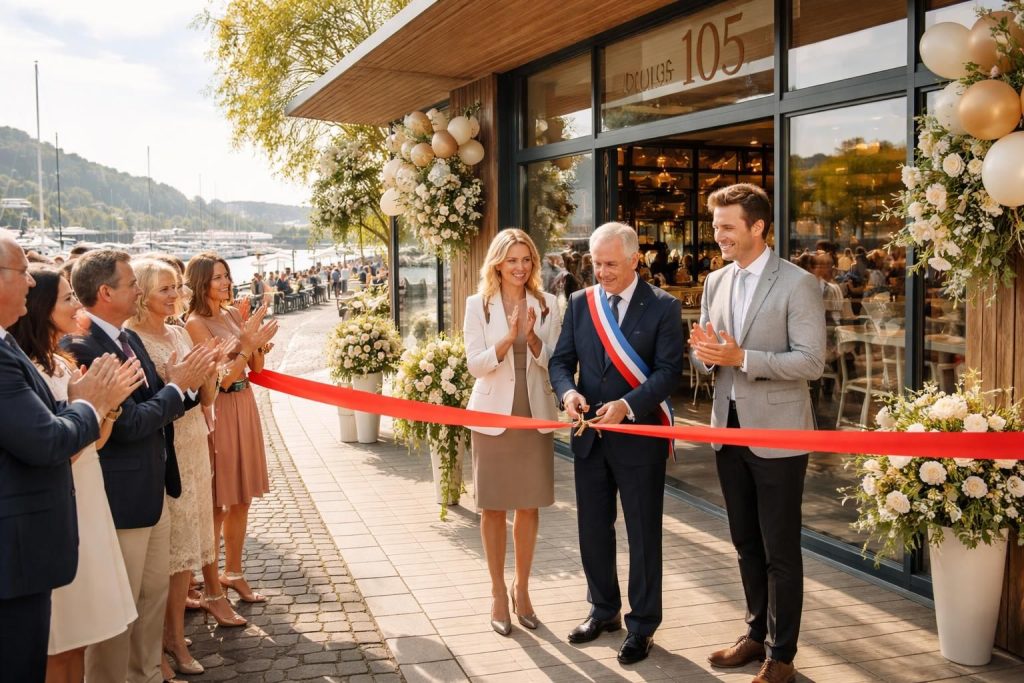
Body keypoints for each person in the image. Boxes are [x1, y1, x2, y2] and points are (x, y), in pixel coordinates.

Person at [689, 184, 825, 683]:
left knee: (780, 548)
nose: (718, 235)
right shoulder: (714, 281)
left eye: (727, 226)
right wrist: (703, 356)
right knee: (746, 542)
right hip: (727, 430)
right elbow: (705, 356)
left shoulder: (797, 283)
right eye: (716, 225)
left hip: (780, 435)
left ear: (757, 227)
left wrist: (741, 358)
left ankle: (782, 655)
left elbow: (812, 362)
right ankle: (754, 634)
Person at [62, 250, 216, 683]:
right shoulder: (84, 346)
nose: (136, 290)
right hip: (121, 497)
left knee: (151, 599)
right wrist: (176, 387)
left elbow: (157, 403)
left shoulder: (124, 339)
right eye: (131, 283)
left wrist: (183, 385)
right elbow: (127, 423)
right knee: (119, 609)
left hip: (153, 487)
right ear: (106, 292)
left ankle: (147, 673)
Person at [0, 236, 135, 683]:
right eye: (21, 271)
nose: (28, 279)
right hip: (18, 549)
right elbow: (45, 441)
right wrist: (88, 405)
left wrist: (93, 405)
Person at [549, 222, 683, 666]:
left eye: (610, 264)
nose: (601, 272)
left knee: (643, 534)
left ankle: (642, 624)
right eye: (595, 263)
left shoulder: (663, 306)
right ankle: (603, 610)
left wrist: (628, 405)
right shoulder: (580, 303)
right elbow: (561, 361)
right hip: (590, 437)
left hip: (639, 438)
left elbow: (668, 372)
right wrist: (567, 392)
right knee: (593, 529)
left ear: (633, 260)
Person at [127, 259, 230, 680]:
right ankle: (154, 647)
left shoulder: (176, 332)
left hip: (193, 444)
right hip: (163, 450)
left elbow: (206, 399)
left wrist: (212, 369)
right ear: (142, 293)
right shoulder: (133, 340)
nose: (174, 295)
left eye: (177, 288)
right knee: (163, 557)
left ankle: (174, 637)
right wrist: (179, 381)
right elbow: (155, 402)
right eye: (165, 288)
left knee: (187, 545)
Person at [463, 229, 561, 636]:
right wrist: (506, 339)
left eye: (526, 260)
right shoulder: (478, 305)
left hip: (533, 411)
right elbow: (474, 365)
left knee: (528, 505)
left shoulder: (550, 303)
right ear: (498, 263)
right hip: (491, 416)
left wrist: (534, 338)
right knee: (493, 507)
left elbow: (556, 361)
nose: (520, 267)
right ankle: (497, 593)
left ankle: (523, 589)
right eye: (512, 260)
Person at [185, 253, 279, 611]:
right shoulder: (196, 323)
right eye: (217, 278)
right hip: (219, 410)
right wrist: (247, 345)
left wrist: (252, 345)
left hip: (245, 405)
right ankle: (210, 585)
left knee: (242, 498)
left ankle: (234, 571)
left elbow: (253, 368)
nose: (225, 283)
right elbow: (221, 381)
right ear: (200, 282)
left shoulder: (229, 314)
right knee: (218, 504)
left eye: (226, 276)